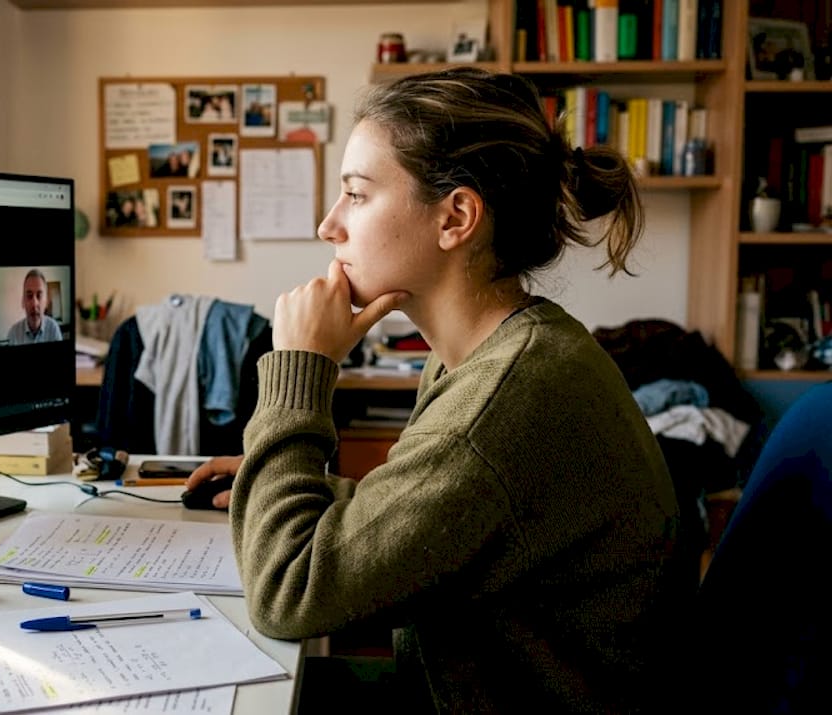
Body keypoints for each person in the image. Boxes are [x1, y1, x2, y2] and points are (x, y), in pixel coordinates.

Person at [185, 67, 694, 712]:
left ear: (455, 217)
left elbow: (285, 594)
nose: (328, 226)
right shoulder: (502, 348)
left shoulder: (503, 403)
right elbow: (456, 506)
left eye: (357, 195)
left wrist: (300, 370)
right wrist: (303, 488)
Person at [6, 269, 62, 345]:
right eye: (29, 296)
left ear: (46, 303)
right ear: (23, 302)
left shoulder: (54, 329)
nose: (34, 303)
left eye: (39, 296)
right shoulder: (13, 333)